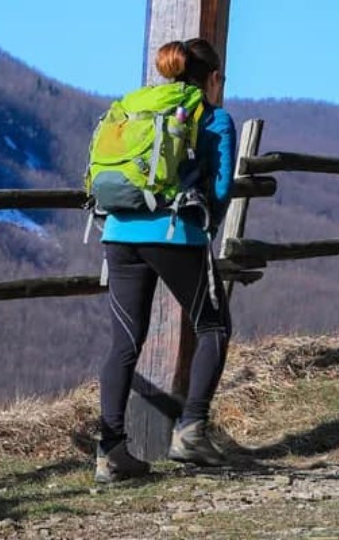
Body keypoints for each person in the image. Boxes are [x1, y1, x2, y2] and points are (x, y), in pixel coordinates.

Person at [95, 38, 237, 483]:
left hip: (118, 232)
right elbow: (218, 190)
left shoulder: (137, 107)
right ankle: (191, 430)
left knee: (124, 343)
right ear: (214, 78)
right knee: (213, 325)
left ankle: (111, 451)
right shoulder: (214, 118)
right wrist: (206, 228)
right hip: (174, 232)